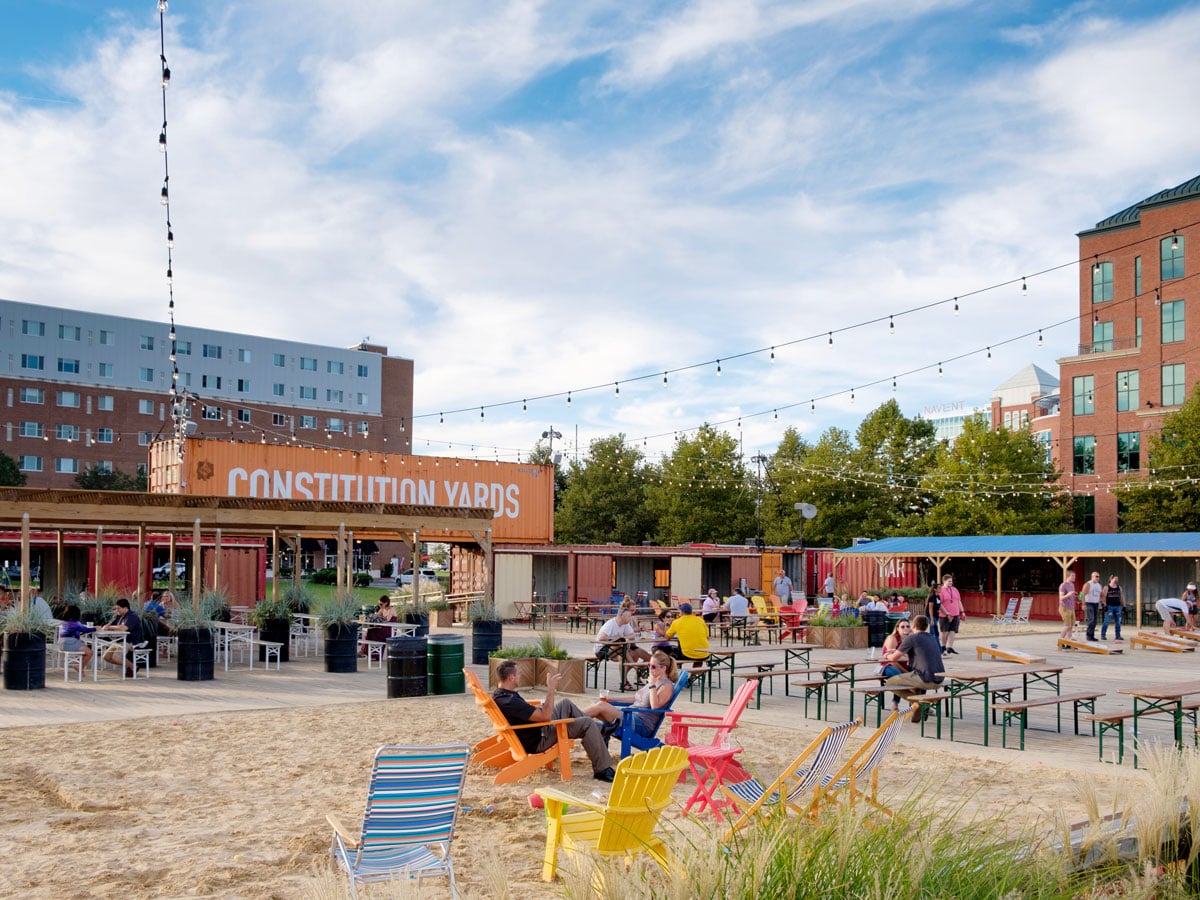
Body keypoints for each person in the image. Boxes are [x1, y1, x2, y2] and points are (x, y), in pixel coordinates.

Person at [492, 661, 615, 782]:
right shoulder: (510, 701)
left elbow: (522, 713)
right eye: (519, 673)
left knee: (565, 704)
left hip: (536, 730)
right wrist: (551, 690)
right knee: (587, 723)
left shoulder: (501, 695)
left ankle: (599, 733)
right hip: (539, 740)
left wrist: (535, 709)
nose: (521, 675)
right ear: (511, 677)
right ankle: (602, 770)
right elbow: (545, 717)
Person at [584, 650, 679, 740]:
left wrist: (652, 685)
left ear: (663, 668)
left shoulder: (666, 686)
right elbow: (636, 698)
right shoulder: (654, 681)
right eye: (649, 665)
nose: (649, 669)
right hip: (630, 716)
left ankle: (572, 722)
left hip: (641, 724)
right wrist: (613, 699)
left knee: (600, 706)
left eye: (653, 667)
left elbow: (655, 706)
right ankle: (574, 722)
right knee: (599, 703)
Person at [884, 615, 945, 722]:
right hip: (939, 679)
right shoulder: (932, 637)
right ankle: (918, 706)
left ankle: (918, 704)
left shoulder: (911, 638)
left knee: (890, 683)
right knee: (913, 684)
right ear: (926, 626)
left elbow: (893, 658)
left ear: (913, 626)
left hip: (925, 678)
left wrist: (887, 655)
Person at [98, 598, 145, 676]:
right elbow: (111, 625)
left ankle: (133, 667)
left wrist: (110, 627)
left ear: (125, 608)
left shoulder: (132, 616)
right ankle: (129, 666)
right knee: (106, 657)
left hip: (129, 641)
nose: (117, 610)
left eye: (118, 608)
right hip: (119, 640)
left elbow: (124, 628)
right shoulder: (119, 616)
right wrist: (107, 626)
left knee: (116, 657)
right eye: (116, 608)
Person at [877, 619, 912, 712]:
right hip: (887, 666)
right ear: (897, 628)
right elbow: (891, 660)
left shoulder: (910, 639)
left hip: (903, 666)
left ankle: (920, 701)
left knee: (921, 674)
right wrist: (905, 672)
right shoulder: (892, 638)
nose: (906, 628)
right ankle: (896, 704)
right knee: (899, 677)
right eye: (902, 626)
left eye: (908, 626)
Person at [58, 604, 96, 670]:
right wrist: (95, 628)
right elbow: (85, 629)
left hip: (61, 644)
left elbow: (72, 632)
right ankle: (80, 666)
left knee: (84, 650)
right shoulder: (75, 623)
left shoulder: (63, 623)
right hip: (70, 643)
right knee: (89, 652)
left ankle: (80, 666)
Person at [1100, 575, 1124, 642]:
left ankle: (1118, 635)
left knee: (1118, 621)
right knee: (1107, 621)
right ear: (1111, 579)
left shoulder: (1119, 587)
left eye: (1117, 579)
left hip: (1118, 606)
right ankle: (1103, 635)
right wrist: (1104, 605)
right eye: (1115, 579)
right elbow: (1103, 596)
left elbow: (1121, 597)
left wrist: (1124, 606)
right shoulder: (1106, 587)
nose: (1116, 580)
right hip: (1109, 606)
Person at [1058, 571, 1078, 646]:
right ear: (1068, 576)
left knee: (1071, 626)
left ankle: (1069, 643)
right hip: (1064, 607)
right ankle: (1060, 641)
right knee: (1067, 625)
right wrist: (1069, 594)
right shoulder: (1063, 585)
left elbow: (1071, 596)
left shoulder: (1072, 585)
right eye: (1072, 576)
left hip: (1071, 607)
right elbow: (1061, 598)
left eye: (1074, 576)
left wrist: (1075, 596)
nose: (1074, 577)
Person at [1083, 571, 1103, 642]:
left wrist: (1103, 602)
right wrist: (1083, 604)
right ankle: (1088, 635)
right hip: (1089, 603)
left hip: (1096, 604)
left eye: (1098, 576)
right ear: (1092, 577)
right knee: (1091, 619)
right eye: (1096, 576)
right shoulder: (1088, 584)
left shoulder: (1099, 585)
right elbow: (1082, 594)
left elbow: (1101, 595)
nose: (1098, 578)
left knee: (1095, 621)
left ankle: (1092, 636)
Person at [924, 582, 941, 648]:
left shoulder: (938, 596)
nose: (940, 589)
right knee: (934, 632)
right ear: (935, 589)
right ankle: (937, 648)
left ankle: (932, 646)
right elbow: (930, 608)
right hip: (931, 615)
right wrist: (931, 619)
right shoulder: (932, 597)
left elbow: (939, 605)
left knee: (933, 631)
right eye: (939, 588)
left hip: (936, 615)